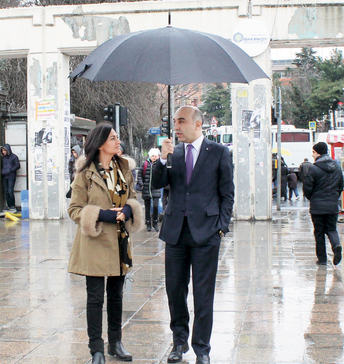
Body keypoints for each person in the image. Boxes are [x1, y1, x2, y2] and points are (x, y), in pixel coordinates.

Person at [152, 106, 234, 364]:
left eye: (182, 121)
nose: (176, 126)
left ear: (198, 124)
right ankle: (179, 343)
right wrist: (162, 160)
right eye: (175, 121)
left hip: (206, 233)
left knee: (203, 293)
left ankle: (202, 348)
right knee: (175, 291)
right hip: (175, 232)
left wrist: (221, 226)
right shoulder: (173, 153)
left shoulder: (219, 152)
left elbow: (227, 193)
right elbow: (157, 184)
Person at [68, 122, 142, 364]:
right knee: (95, 298)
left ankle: (116, 343)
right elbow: (74, 209)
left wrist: (129, 211)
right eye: (112, 138)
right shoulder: (85, 173)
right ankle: (96, 350)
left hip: (120, 241)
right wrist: (101, 214)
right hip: (95, 243)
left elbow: (131, 197)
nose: (117, 141)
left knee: (116, 296)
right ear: (100, 144)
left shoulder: (124, 169)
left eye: (117, 137)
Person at [302, 142, 344, 266]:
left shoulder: (314, 168)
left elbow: (307, 187)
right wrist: (334, 197)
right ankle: (336, 245)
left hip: (317, 207)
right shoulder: (337, 167)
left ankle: (322, 259)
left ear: (318, 153)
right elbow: (341, 185)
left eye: (313, 152)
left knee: (319, 232)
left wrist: (312, 198)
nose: (312, 155)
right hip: (332, 205)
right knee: (331, 228)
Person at [138, 148, 162, 231]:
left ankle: (155, 222)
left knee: (155, 206)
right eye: (152, 156)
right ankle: (148, 222)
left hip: (156, 188)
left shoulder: (159, 164)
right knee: (147, 207)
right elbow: (140, 174)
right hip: (146, 188)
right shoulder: (144, 164)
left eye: (155, 156)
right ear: (150, 156)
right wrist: (142, 184)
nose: (154, 157)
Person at [0, 144, 20, 213]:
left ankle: (12, 206)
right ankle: (8, 205)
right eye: (2, 150)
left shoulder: (14, 157)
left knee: (10, 191)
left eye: (4, 150)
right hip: (5, 176)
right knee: (6, 191)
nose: (3, 152)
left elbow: (17, 165)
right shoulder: (3, 158)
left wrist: (11, 170)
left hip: (11, 176)